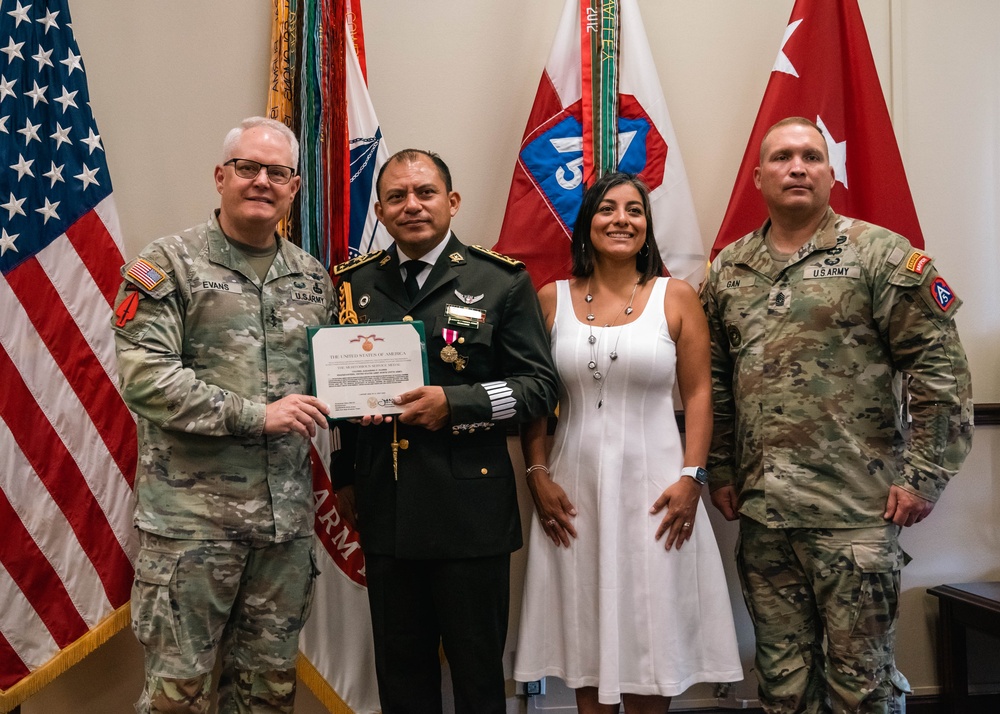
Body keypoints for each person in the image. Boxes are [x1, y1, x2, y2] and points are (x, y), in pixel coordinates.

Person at [702, 117, 974, 713]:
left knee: (863, 689)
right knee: (783, 689)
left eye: (810, 156)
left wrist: (925, 474)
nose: (796, 167)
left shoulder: (880, 254)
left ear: (831, 172)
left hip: (855, 514)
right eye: (781, 157)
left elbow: (939, 371)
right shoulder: (730, 270)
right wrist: (720, 468)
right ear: (758, 176)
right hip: (765, 518)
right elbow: (715, 380)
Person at [112, 116, 336, 714]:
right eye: (248, 167)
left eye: (278, 172)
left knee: (266, 696)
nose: (262, 181)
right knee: (176, 697)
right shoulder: (167, 264)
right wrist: (254, 416)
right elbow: (146, 379)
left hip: (283, 528)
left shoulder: (312, 278)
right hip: (192, 529)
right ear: (221, 176)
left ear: (294, 187)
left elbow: (329, 381)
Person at [331, 149, 559, 714]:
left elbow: (539, 388)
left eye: (426, 192)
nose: (412, 205)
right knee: (401, 676)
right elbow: (341, 396)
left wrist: (454, 404)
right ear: (380, 212)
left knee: (479, 677)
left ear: (451, 202)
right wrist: (344, 478)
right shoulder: (353, 286)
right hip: (387, 506)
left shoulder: (500, 281)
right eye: (397, 196)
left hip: (470, 514)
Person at [513, 172, 743, 713]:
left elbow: (701, 397)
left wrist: (693, 479)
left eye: (634, 210)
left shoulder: (678, 296)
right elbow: (535, 398)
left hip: (658, 491)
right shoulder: (550, 300)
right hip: (573, 492)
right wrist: (537, 473)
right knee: (585, 635)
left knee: (649, 637)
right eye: (608, 209)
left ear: (648, 226)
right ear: (587, 223)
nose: (621, 219)